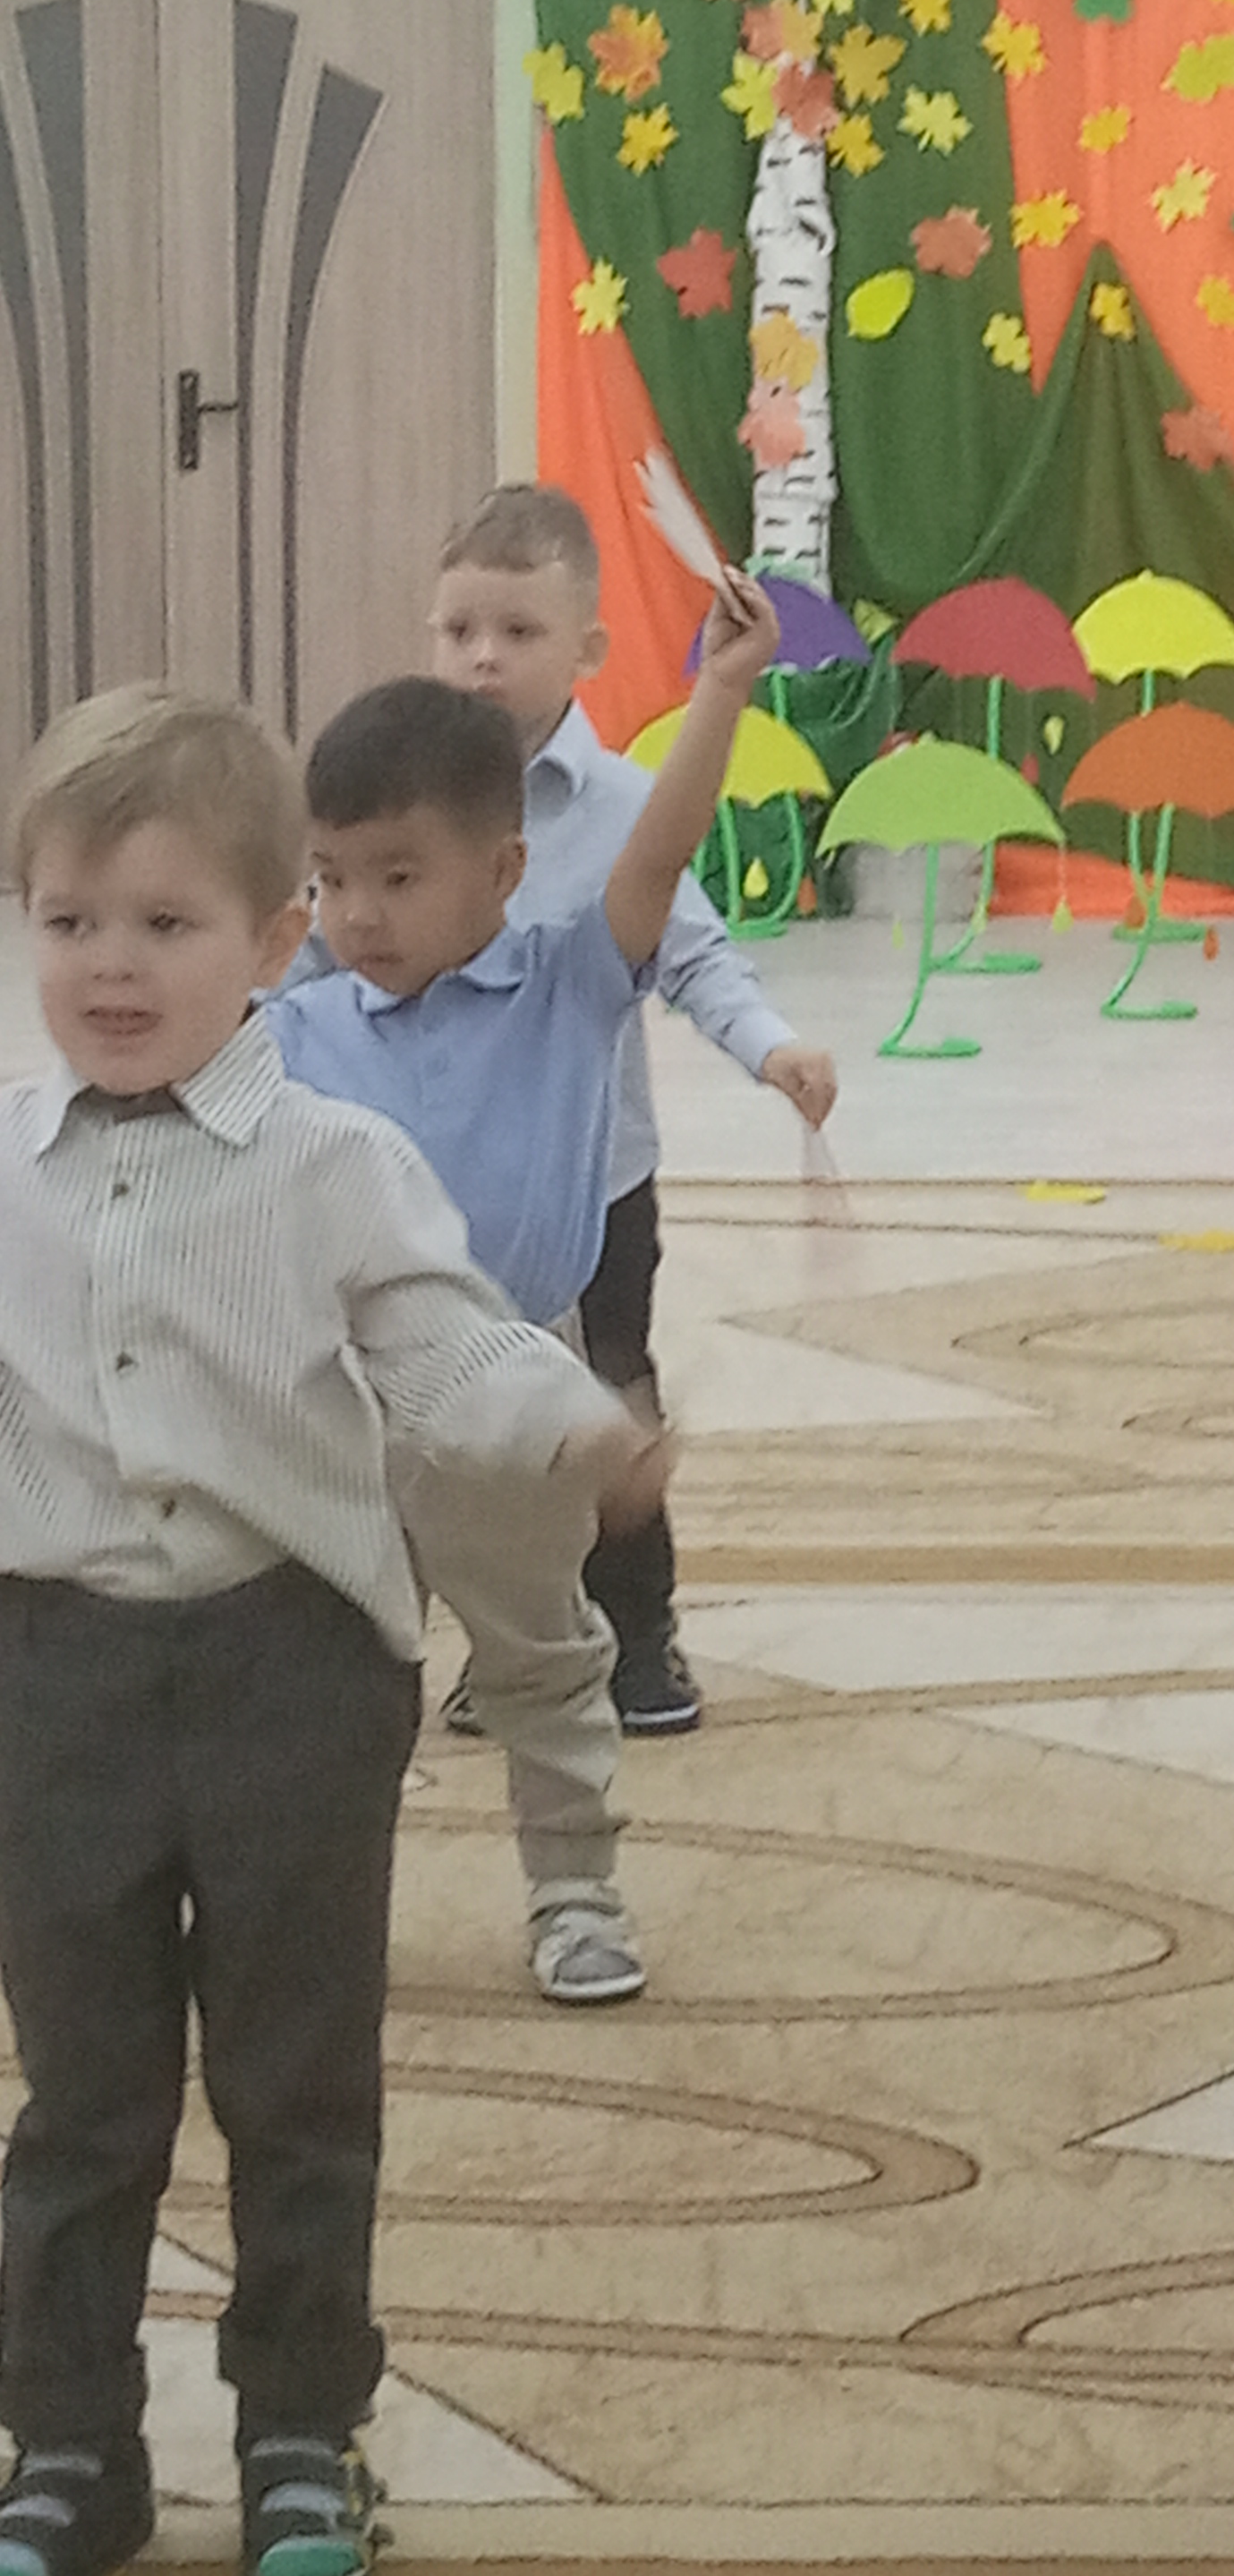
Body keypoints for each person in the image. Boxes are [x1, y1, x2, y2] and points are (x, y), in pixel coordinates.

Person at [0, 685, 657, 2576]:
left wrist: (576, 1423)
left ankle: (303, 2432)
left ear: (276, 937)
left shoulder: (332, 1160)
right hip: (54, 1682)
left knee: (296, 2083)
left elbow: (443, 1345)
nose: (111, 965)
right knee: (82, 2096)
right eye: (69, 920)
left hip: (292, 1670)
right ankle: (70, 2448)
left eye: (166, 921)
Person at [268, 576, 781, 2009]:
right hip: (339, 1397)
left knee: (542, 1663)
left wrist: (723, 689)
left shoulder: (571, 983)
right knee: (331, 1677)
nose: (357, 913)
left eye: (398, 877)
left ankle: (576, 1894)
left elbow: (659, 855)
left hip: (515, 1391)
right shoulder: (297, 1026)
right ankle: (312, 1914)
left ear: (503, 872)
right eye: (332, 878)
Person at [425, 484, 838, 1737]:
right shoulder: (411, 802)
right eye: (458, 630)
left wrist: (770, 1047)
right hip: (440, 1189)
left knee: (611, 1406)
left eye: (517, 632)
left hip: (596, 1187)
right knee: (467, 1424)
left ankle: (640, 1634)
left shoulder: (618, 806)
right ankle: (510, 1639)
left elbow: (693, 952)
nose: (483, 658)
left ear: (588, 649)